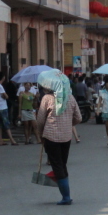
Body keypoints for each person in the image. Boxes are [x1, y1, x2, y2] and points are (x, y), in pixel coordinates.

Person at [36, 70, 82, 205]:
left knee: (57, 166)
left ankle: (66, 197)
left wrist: (40, 134)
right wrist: (68, 124)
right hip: (66, 137)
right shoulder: (70, 97)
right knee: (62, 164)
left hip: (51, 137)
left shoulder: (47, 99)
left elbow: (40, 120)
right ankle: (66, 194)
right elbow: (78, 118)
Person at [0, 72, 17, 146]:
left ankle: (0, 140)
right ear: (3, 78)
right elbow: (5, 96)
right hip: (2, 106)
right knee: (6, 123)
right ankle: (12, 140)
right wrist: (6, 96)